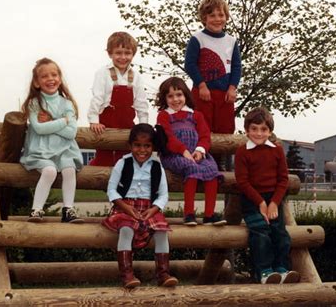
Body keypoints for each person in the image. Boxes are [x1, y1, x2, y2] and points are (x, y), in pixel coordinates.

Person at [102, 123, 178, 288]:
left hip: (149, 208)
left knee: (161, 232)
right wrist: (126, 207)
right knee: (126, 230)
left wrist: (154, 209)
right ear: (130, 145)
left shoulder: (157, 166)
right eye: (137, 145)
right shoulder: (123, 163)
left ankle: (163, 273)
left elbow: (164, 194)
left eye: (147, 146)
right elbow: (111, 190)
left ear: (153, 147)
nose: (142, 150)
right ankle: (127, 275)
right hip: (125, 206)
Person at [234, 107, 300, 284]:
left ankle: (282, 269)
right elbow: (242, 182)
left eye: (263, 129)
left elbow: (283, 179)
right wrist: (261, 203)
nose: (258, 133)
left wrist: (273, 203)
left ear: (270, 131)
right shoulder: (242, 152)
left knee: (280, 233)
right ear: (247, 130)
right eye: (254, 129)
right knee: (261, 233)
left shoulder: (277, 150)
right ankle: (264, 272)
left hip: (274, 199)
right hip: (252, 199)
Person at [156, 77, 226, 227]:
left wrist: (200, 151)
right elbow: (167, 137)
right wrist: (183, 151)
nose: (175, 99)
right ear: (165, 98)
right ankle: (189, 213)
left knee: (212, 170)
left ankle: (209, 215)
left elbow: (205, 136)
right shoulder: (164, 115)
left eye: (179, 95)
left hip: (197, 154)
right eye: (170, 96)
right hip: (174, 155)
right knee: (191, 167)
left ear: (186, 95)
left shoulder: (196, 115)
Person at [20, 57, 84, 223]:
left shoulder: (67, 103)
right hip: (41, 151)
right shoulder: (35, 103)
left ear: (60, 78)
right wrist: (63, 120)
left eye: (54, 75)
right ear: (36, 82)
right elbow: (39, 129)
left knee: (69, 170)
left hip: (64, 149)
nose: (50, 79)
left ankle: (68, 210)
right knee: (50, 171)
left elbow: (71, 133)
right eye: (44, 76)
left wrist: (50, 121)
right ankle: (36, 210)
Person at [184, 0, 242, 171]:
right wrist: (201, 84)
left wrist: (233, 88)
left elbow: (237, 66)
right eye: (212, 15)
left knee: (225, 128)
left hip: (224, 94)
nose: (217, 19)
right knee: (203, 127)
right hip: (203, 92)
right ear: (204, 18)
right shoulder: (197, 39)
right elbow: (190, 64)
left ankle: (222, 162)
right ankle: (203, 161)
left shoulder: (231, 41)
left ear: (226, 17)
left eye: (221, 15)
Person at [87, 31, 149, 166]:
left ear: (133, 54)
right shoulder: (102, 73)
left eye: (127, 53)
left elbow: (141, 103)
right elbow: (97, 97)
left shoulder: (136, 76)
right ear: (110, 53)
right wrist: (94, 121)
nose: (123, 57)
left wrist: (143, 124)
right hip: (106, 122)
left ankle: (123, 184)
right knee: (104, 156)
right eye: (118, 53)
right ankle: (99, 179)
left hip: (126, 122)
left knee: (126, 157)